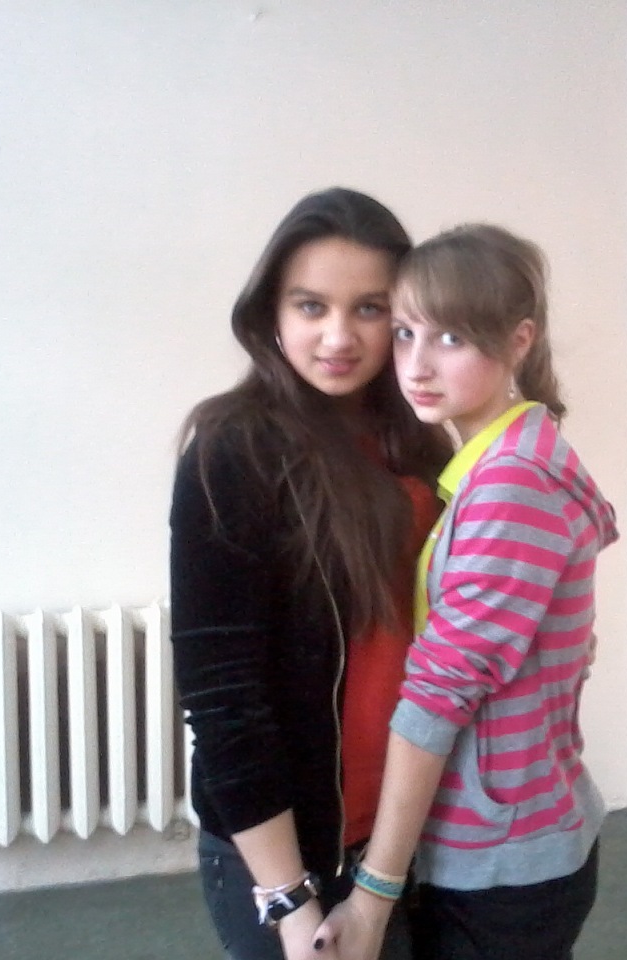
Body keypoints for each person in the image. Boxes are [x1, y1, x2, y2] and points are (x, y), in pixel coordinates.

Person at [316, 224, 619, 960]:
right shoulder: (503, 460)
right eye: (406, 332)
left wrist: (374, 892)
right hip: (513, 829)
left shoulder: (512, 481)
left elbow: (441, 689)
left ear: (519, 341)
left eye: (450, 337)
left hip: (503, 860)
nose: (416, 365)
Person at [169, 188, 451, 960]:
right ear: (272, 311)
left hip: (410, 831)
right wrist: (290, 901)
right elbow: (221, 694)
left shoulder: (423, 441)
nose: (339, 336)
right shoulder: (234, 449)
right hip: (291, 852)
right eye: (311, 306)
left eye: (369, 309)